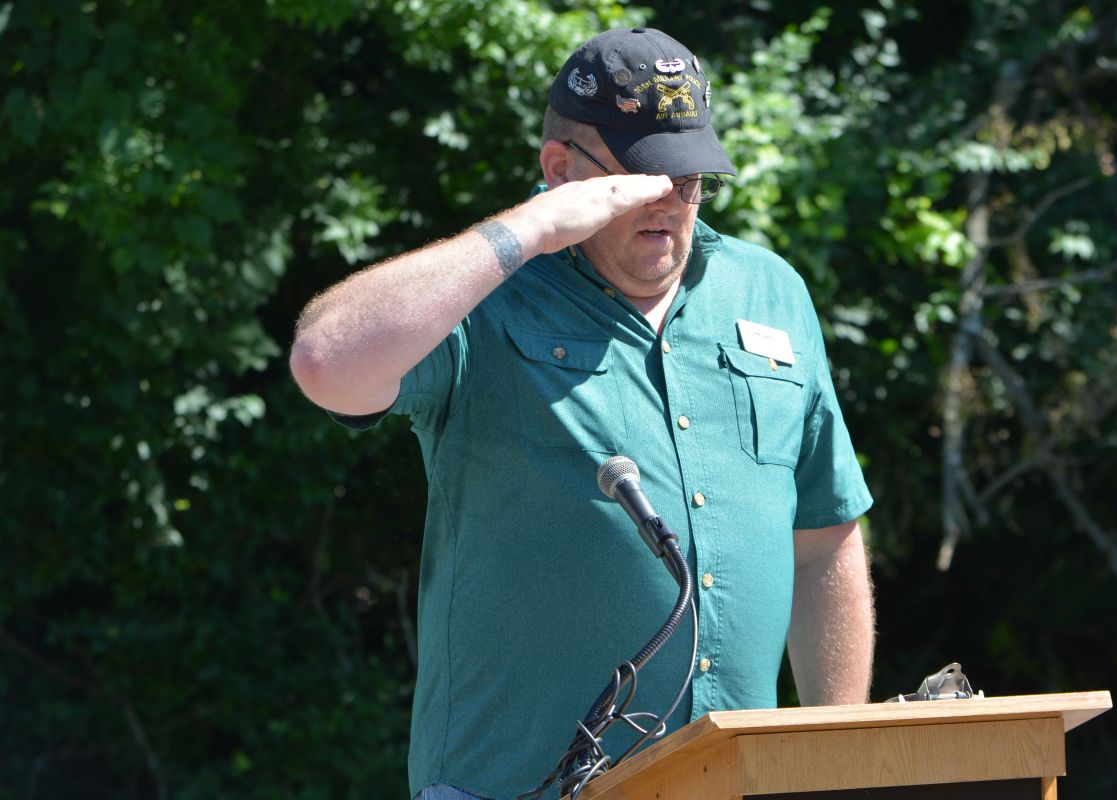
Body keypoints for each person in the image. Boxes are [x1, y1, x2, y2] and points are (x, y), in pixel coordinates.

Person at [289, 27, 874, 800]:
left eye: (691, 179)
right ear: (562, 169)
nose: (670, 201)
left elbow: (824, 541)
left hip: (735, 785)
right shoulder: (483, 299)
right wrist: (530, 229)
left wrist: (835, 765)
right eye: (641, 179)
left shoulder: (768, 292)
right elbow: (326, 362)